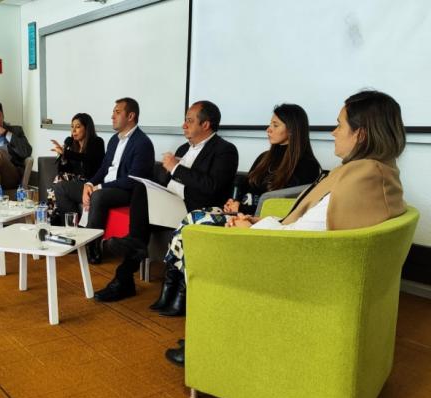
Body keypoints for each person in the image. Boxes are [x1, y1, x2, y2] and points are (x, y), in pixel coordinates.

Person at [165, 90, 407, 367]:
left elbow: (301, 239)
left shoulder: (358, 181)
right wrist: (260, 221)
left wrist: (249, 228)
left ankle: (205, 340)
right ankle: (192, 316)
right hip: (287, 242)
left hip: (289, 264)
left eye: (339, 125)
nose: (333, 132)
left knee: (202, 234)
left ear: (361, 134)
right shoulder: (373, 173)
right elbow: (309, 224)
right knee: (200, 222)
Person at [154, 104, 321, 316]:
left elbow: (283, 205)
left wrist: (243, 207)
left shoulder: (306, 165)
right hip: (239, 213)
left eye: (275, 125)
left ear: (292, 129)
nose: (268, 129)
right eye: (270, 124)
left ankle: (180, 291)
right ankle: (173, 284)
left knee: (194, 221)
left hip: (261, 220)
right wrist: (234, 202)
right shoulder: (265, 157)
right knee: (190, 220)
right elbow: (247, 188)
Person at [98, 100, 239, 302]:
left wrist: (177, 168)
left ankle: (125, 274)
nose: (184, 125)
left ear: (206, 124)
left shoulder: (225, 150)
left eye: (189, 121)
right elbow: (170, 180)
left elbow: (212, 186)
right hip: (170, 203)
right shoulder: (183, 148)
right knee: (141, 187)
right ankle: (125, 273)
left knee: (139, 229)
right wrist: (165, 174)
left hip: (194, 208)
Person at [53, 97, 155, 264]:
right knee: (61, 187)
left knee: (98, 196)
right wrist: (89, 184)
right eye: (113, 112)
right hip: (105, 186)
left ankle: (92, 248)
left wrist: (99, 187)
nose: (112, 116)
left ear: (130, 116)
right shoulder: (114, 140)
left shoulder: (142, 143)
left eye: (117, 112)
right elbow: (103, 169)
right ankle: (76, 237)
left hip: (124, 191)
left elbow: (133, 180)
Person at [47, 113, 105, 224]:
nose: (73, 130)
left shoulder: (97, 142)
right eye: (72, 127)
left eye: (77, 127)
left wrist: (66, 153)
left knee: (59, 185)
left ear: (87, 128)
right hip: (77, 182)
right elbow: (66, 170)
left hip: (91, 183)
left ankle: (54, 219)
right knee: (60, 177)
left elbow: (88, 158)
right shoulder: (74, 146)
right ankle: (56, 218)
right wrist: (63, 158)